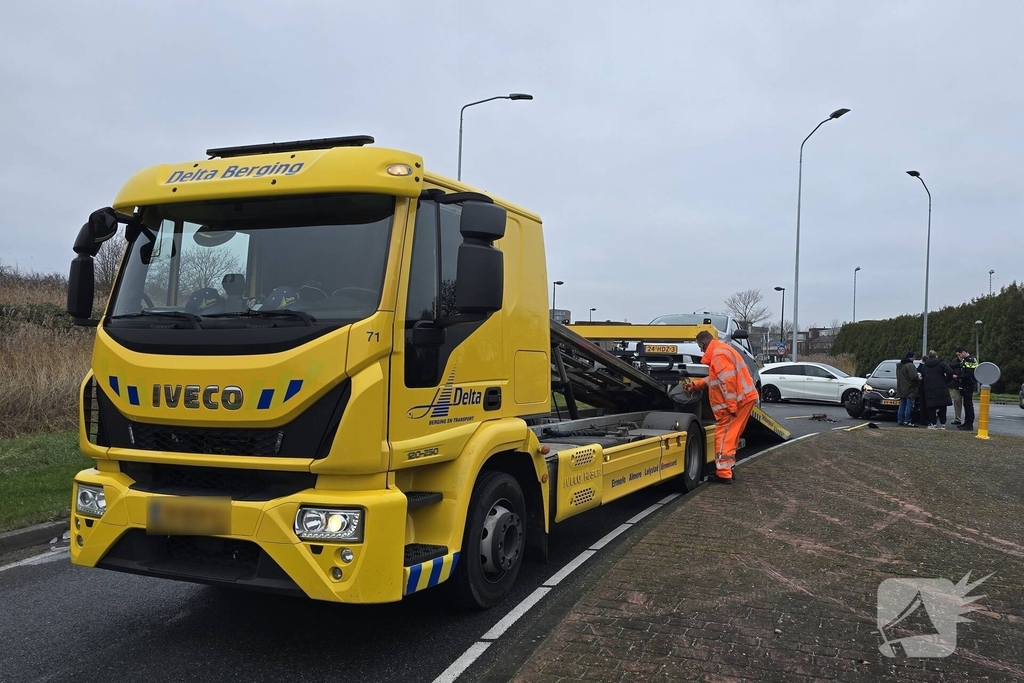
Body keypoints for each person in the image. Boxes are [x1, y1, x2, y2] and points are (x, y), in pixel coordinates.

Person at [681, 330, 759, 484]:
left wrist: (731, 406)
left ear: (704, 343)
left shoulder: (718, 355)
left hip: (737, 402)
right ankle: (727, 469)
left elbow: (727, 381)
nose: (701, 350)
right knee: (731, 437)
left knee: (723, 436)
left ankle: (723, 473)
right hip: (744, 398)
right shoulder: (722, 350)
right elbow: (716, 378)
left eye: (700, 347)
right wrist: (696, 385)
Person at [918, 350, 954, 429]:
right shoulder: (941, 363)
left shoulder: (925, 365)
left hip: (929, 388)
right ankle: (943, 424)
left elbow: (922, 375)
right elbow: (950, 371)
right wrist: (947, 381)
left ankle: (933, 424)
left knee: (931, 407)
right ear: (936, 356)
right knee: (942, 406)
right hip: (942, 387)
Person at [953, 347, 979, 431]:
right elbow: (959, 365)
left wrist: (957, 376)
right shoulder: (966, 360)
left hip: (969, 385)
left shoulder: (970, 360)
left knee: (968, 405)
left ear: (963, 352)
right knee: (966, 404)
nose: (959, 356)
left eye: (959, 354)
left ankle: (969, 423)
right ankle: (966, 422)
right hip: (966, 385)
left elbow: (969, 374)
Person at [896, 351, 919, 426]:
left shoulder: (899, 366)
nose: (914, 359)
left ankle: (900, 420)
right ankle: (907, 421)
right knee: (909, 404)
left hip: (901, 388)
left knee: (902, 404)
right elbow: (913, 377)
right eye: (914, 357)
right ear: (911, 357)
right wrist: (919, 379)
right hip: (910, 388)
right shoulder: (910, 365)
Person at [948, 353, 963, 425]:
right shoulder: (955, 361)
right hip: (956, 384)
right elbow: (950, 369)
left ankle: (967, 419)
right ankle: (958, 418)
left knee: (967, 403)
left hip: (965, 384)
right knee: (957, 402)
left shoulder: (968, 361)